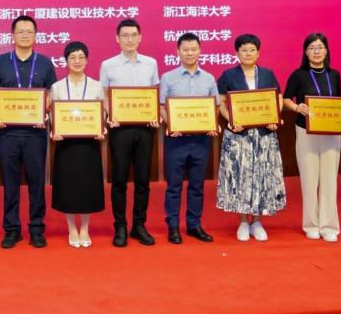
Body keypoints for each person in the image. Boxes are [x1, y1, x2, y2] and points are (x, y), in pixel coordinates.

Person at [0, 15, 58, 249]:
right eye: (20, 31)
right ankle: (12, 230)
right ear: (12, 36)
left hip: (35, 134)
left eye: (29, 31)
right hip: (7, 133)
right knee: (10, 184)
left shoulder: (45, 63)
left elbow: (50, 94)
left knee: (37, 183)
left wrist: (43, 113)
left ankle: (37, 229)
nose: (25, 35)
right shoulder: (0, 62)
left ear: (36, 36)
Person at [216, 34, 286, 242]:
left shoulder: (267, 74)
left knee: (261, 176)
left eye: (252, 49)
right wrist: (231, 120)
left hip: (264, 135)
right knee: (241, 177)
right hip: (239, 135)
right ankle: (243, 222)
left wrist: (275, 117)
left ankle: (256, 221)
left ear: (258, 52)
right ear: (237, 53)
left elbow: (278, 98)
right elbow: (220, 103)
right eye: (244, 50)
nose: (248, 53)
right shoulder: (228, 75)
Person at [99, 18, 160, 247]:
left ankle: (139, 225)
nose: (129, 39)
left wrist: (153, 113)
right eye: (124, 35)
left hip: (145, 129)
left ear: (140, 37)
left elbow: (154, 93)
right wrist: (110, 114)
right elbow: (104, 96)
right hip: (120, 129)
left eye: (133, 35)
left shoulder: (151, 63)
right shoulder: (108, 65)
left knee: (143, 179)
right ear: (117, 38)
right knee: (120, 180)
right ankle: (120, 226)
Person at [283, 33, 341, 243]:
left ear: (326, 50)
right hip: (305, 130)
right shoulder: (298, 75)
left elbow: (339, 101)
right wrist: (296, 107)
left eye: (320, 47)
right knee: (309, 179)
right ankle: (311, 224)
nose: (316, 51)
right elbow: (285, 99)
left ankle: (329, 225)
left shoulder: (334, 75)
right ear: (305, 52)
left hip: (331, 132)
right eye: (312, 48)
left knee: (329, 179)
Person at [159, 33, 218, 244]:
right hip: (176, 140)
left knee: (197, 185)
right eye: (185, 50)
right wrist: (171, 124)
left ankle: (194, 225)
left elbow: (214, 106)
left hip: (201, 140)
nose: (190, 53)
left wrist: (212, 124)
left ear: (200, 51)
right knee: (174, 186)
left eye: (194, 49)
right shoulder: (168, 77)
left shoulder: (209, 78)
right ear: (178, 51)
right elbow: (161, 106)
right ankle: (173, 226)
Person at [49, 41, 106, 248]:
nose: (77, 61)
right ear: (66, 61)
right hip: (65, 145)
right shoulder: (56, 87)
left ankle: (85, 228)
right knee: (68, 187)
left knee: (88, 186)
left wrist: (101, 129)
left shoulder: (96, 86)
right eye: (72, 57)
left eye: (81, 57)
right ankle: (72, 227)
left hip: (89, 144)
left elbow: (102, 112)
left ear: (87, 60)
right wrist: (54, 130)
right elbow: (52, 114)